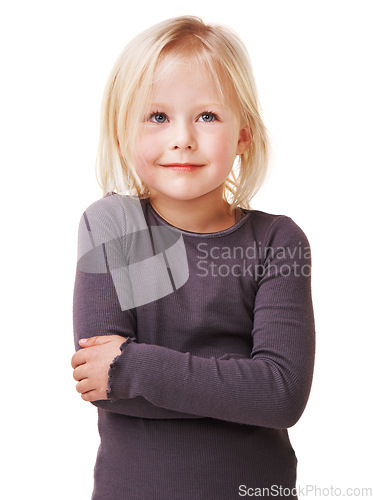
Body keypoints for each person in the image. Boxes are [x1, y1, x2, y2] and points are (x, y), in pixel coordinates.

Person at [71, 15, 315, 500]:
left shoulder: (278, 241)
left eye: (207, 116)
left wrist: (135, 367)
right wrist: (238, 386)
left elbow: (281, 394)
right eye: (157, 117)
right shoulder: (115, 227)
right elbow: (98, 379)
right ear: (123, 135)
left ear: (243, 134)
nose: (182, 137)